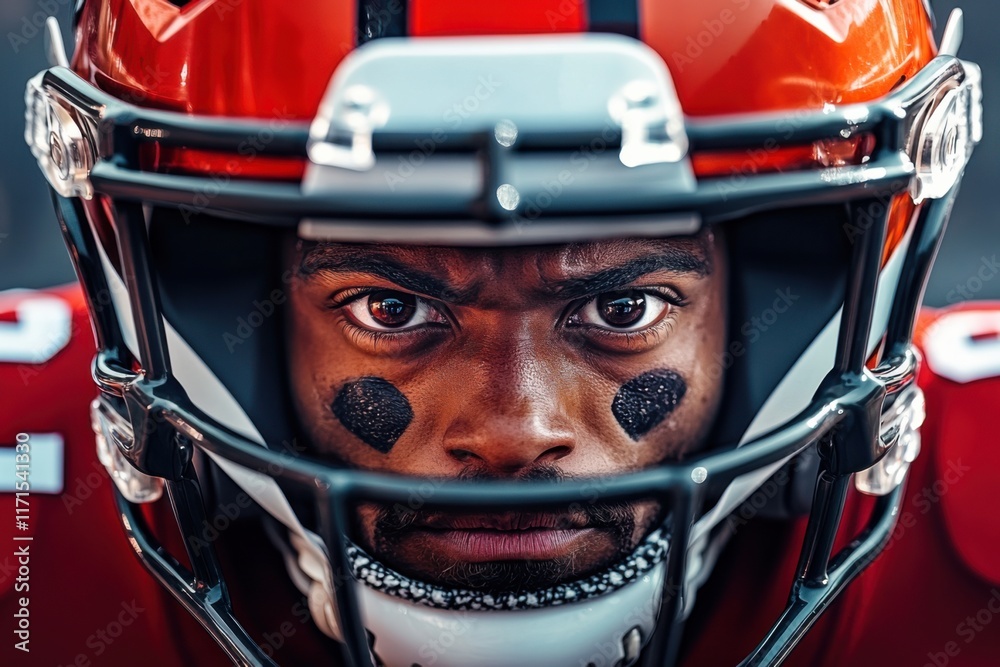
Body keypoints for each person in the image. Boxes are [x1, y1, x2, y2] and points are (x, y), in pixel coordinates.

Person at [2, 0, 997, 665]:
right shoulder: (18, 483)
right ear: (203, 312)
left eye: (622, 308)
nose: (514, 430)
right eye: (391, 310)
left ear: (806, 302)